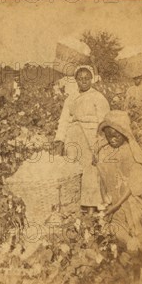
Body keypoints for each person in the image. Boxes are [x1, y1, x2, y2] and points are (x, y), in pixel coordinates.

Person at [94, 110, 142, 282]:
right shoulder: (106, 151)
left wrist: (116, 204)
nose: (112, 139)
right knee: (117, 240)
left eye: (116, 136)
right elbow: (104, 178)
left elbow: (133, 185)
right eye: (109, 135)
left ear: (124, 134)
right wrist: (106, 200)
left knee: (134, 240)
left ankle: (136, 276)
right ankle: (122, 274)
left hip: (128, 203)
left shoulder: (131, 152)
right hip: (114, 202)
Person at [54, 65, 110, 213]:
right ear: (76, 80)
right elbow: (64, 120)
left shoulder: (98, 97)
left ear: (91, 79)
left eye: (86, 78)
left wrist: (99, 143)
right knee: (73, 170)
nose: (83, 82)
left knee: (91, 171)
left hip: (91, 136)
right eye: (80, 79)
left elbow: (104, 121)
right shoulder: (71, 98)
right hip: (73, 136)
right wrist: (60, 140)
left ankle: (91, 205)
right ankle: (74, 205)